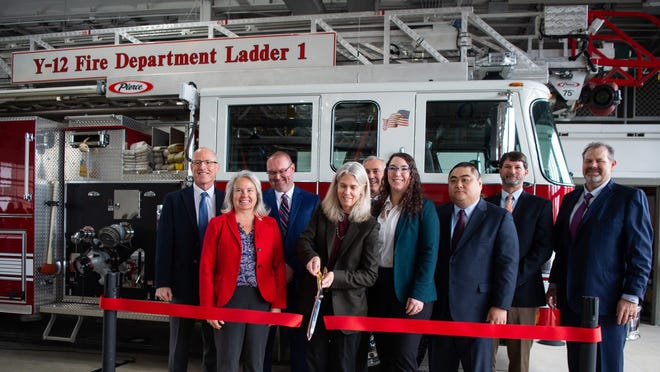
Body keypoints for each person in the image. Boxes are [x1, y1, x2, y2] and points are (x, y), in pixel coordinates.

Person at [546, 142, 653, 372]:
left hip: (609, 304)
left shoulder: (629, 198)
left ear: (612, 165)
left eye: (599, 161)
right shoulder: (570, 200)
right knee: (577, 364)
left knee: (606, 365)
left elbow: (641, 252)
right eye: (588, 161)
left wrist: (632, 295)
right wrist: (554, 283)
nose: (593, 166)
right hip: (572, 301)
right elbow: (563, 248)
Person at [429, 162, 519, 372]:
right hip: (440, 310)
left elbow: (507, 264)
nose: (458, 185)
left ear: (480, 185)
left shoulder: (499, 217)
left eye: (465, 179)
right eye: (453, 180)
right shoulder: (437, 215)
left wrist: (501, 305)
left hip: (479, 311)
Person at [199, 170, 287, 372]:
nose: (244, 195)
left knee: (255, 363)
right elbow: (206, 268)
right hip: (228, 299)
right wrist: (209, 309)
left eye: (249, 190)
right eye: (239, 190)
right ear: (231, 195)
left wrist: (277, 305)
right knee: (227, 362)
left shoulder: (271, 225)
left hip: (260, 299)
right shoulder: (217, 224)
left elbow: (278, 266)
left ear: (257, 194)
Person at [297, 162, 380, 372]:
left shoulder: (370, 225)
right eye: (342, 186)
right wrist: (311, 257)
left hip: (349, 308)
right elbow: (304, 241)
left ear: (363, 189)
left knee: (345, 366)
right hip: (316, 304)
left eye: (353, 187)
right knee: (315, 363)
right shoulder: (323, 212)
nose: (347, 192)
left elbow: (370, 275)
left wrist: (336, 277)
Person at [368, 152, 439, 371]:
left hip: (411, 290)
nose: (397, 173)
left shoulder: (424, 208)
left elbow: (430, 252)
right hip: (379, 287)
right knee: (385, 354)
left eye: (403, 168)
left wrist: (418, 293)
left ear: (412, 174)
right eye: (392, 168)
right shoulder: (377, 207)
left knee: (404, 356)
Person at [155, 147, 224, 372]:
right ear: (191, 167)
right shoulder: (174, 200)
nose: (202, 167)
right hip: (181, 284)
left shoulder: (228, 200)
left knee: (213, 343)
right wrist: (162, 282)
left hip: (215, 285)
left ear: (217, 167)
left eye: (208, 163)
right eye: (197, 162)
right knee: (178, 343)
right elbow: (164, 243)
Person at [485, 152, 553, 372]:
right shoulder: (486, 204)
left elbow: (543, 248)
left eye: (517, 167)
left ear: (525, 171)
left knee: (520, 359)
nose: (511, 171)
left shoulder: (540, 206)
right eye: (507, 167)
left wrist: (514, 277)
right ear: (500, 171)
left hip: (524, 292)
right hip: (488, 291)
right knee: (485, 356)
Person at [263, 151, 320, 372]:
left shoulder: (312, 201)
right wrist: (278, 269)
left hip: (300, 282)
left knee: (300, 342)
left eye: (282, 171)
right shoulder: (259, 198)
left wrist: (292, 267)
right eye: (272, 173)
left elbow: (316, 241)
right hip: (267, 281)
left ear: (292, 169)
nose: (278, 177)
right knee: (263, 341)